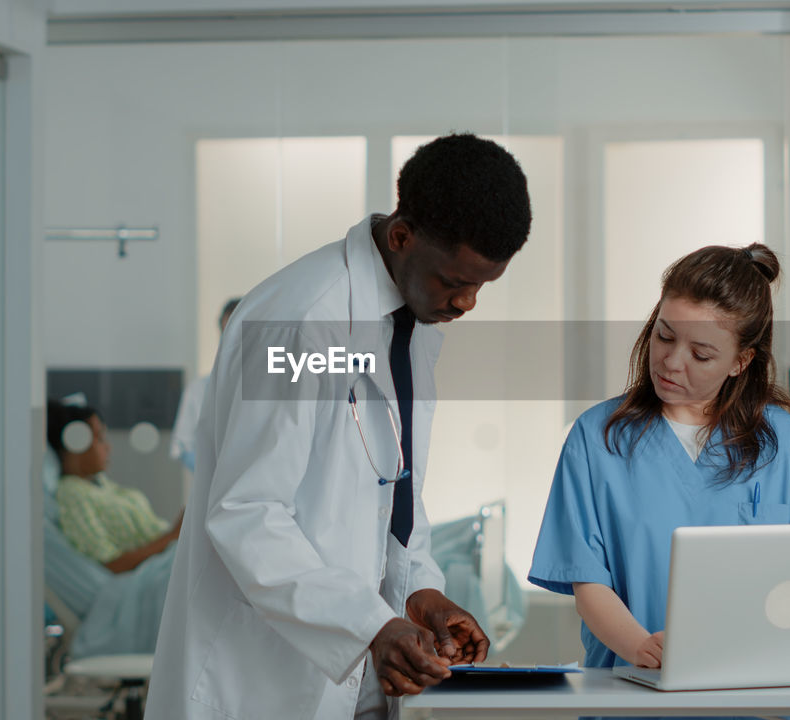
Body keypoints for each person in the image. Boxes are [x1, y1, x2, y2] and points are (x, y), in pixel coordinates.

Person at [148, 133, 533, 720]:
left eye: (481, 286)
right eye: (456, 283)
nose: (467, 304)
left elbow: (389, 488)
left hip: (361, 679)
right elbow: (247, 512)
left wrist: (419, 593)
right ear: (401, 237)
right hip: (266, 681)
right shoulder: (305, 322)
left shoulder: (410, 324)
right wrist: (370, 624)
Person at [528, 244, 790, 720]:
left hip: (756, 702)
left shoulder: (784, 443)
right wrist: (643, 648)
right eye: (664, 336)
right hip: (632, 697)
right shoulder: (598, 437)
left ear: (740, 361)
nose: (672, 363)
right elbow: (588, 580)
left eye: (701, 353)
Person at [47, 400, 183, 574]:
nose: (108, 447)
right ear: (75, 441)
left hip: (171, 554)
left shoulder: (100, 484)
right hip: (158, 570)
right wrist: (173, 536)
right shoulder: (71, 493)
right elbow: (111, 565)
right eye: (100, 438)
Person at [169, 296, 242, 471]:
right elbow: (183, 446)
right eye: (228, 333)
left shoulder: (277, 387)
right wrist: (211, 473)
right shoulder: (199, 390)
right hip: (212, 492)